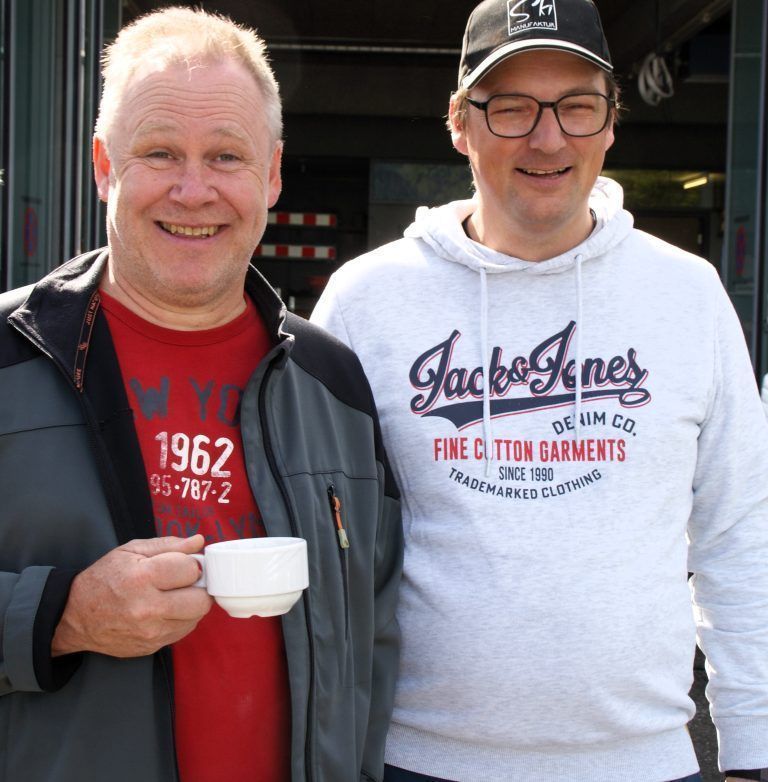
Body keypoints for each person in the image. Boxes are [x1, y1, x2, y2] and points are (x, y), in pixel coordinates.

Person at [311, 1, 768, 780]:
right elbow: (318, 538)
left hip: (645, 762)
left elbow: (739, 531)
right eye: (513, 108)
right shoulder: (365, 302)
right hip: (417, 761)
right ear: (460, 123)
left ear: (611, 123)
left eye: (577, 107)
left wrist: (754, 744)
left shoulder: (687, 295)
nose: (548, 137)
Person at [0, 7, 402, 782]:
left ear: (273, 173)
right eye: (159, 153)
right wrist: (63, 616)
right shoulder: (9, 356)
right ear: (103, 165)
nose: (194, 190)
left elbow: (374, 642)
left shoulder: (335, 387)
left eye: (226, 156)